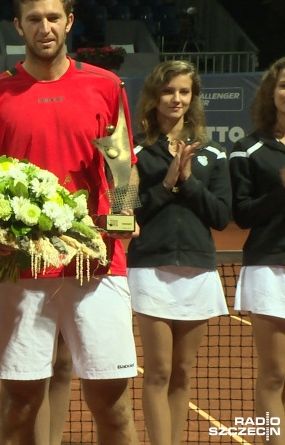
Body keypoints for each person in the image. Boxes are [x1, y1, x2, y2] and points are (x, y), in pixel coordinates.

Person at [0, 0, 139, 444]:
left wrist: (122, 216)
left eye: (54, 17)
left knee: (113, 406)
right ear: (17, 25)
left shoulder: (106, 87)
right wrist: (0, 231)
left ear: (70, 21)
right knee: (19, 407)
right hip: (21, 270)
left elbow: (125, 170)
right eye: (34, 18)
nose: (45, 27)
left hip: (97, 265)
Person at [127, 59, 231, 445]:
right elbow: (128, 213)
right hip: (151, 268)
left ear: (193, 98)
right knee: (157, 372)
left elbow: (221, 216)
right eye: (168, 91)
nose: (176, 98)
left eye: (184, 91)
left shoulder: (213, 154)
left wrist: (187, 182)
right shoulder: (135, 153)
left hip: (198, 270)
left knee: (183, 372)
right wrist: (166, 182)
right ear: (154, 97)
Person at [229, 55, 285, 445]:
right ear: (271, 92)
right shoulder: (249, 149)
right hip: (269, 267)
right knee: (274, 373)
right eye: (283, 85)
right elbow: (242, 215)